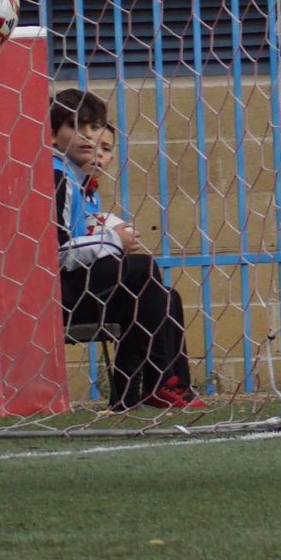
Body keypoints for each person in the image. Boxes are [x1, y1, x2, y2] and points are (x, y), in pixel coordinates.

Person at [51, 89, 201, 411]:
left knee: (162, 296)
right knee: (142, 269)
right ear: (51, 135)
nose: (88, 137)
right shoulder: (57, 177)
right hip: (55, 294)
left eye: (95, 130)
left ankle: (160, 390)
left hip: (83, 289)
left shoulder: (83, 186)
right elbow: (57, 251)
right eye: (76, 127)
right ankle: (157, 384)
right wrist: (114, 240)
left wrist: (108, 232)